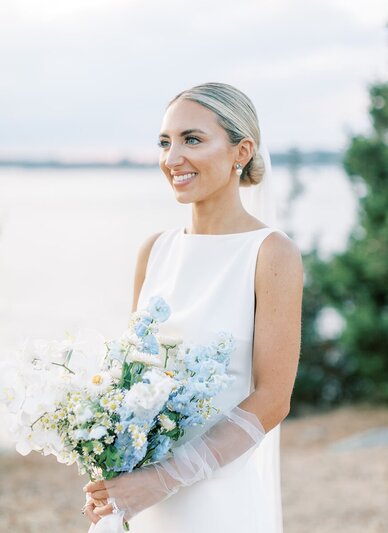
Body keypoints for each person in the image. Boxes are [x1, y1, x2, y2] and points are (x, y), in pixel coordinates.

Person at [83, 82, 303, 532]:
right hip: (138, 499)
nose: (172, 158)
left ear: (241, 152)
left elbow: (272, 400)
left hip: (217, 501)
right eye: (165, 142)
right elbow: (128, 379)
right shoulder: (155, 251)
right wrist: (107, 467)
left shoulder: (270, 253)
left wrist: (162, 480)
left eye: (192, 140)